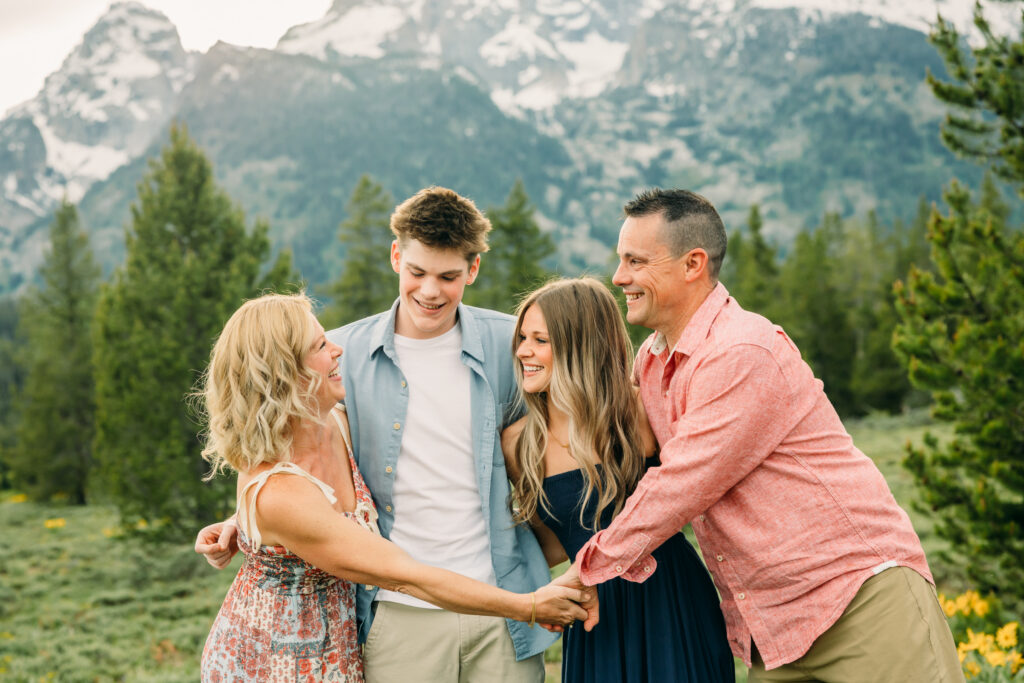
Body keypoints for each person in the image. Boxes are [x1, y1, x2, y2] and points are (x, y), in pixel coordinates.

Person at [554, 189, 962, 682]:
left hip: (859, 600)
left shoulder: (741, 350)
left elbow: (680, 484)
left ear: (693, 264)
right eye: (621, 261)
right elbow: (621, 455)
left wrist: (588, 567)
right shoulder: (651, 361)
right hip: (774, 630)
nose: (619, 277)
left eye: (636, 261)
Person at [197, 187, 572, 682]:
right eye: (417, 272)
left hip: (503, 604)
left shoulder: (513, 344)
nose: (430, 291)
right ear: (396, 256)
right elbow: (289, 462)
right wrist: (248, 519)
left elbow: (568, 432)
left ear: (473, 270)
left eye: (448, 276)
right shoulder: (344, 354)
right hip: (397, 613)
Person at [505, 277, 735, 683]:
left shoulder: (637, 411)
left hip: (669, 597)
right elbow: (556, 540)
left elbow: (695, 483)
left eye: (540, 340)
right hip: (593, 613)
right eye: (522, 337)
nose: (524, 351)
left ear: (578, 346)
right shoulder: (520, 442)